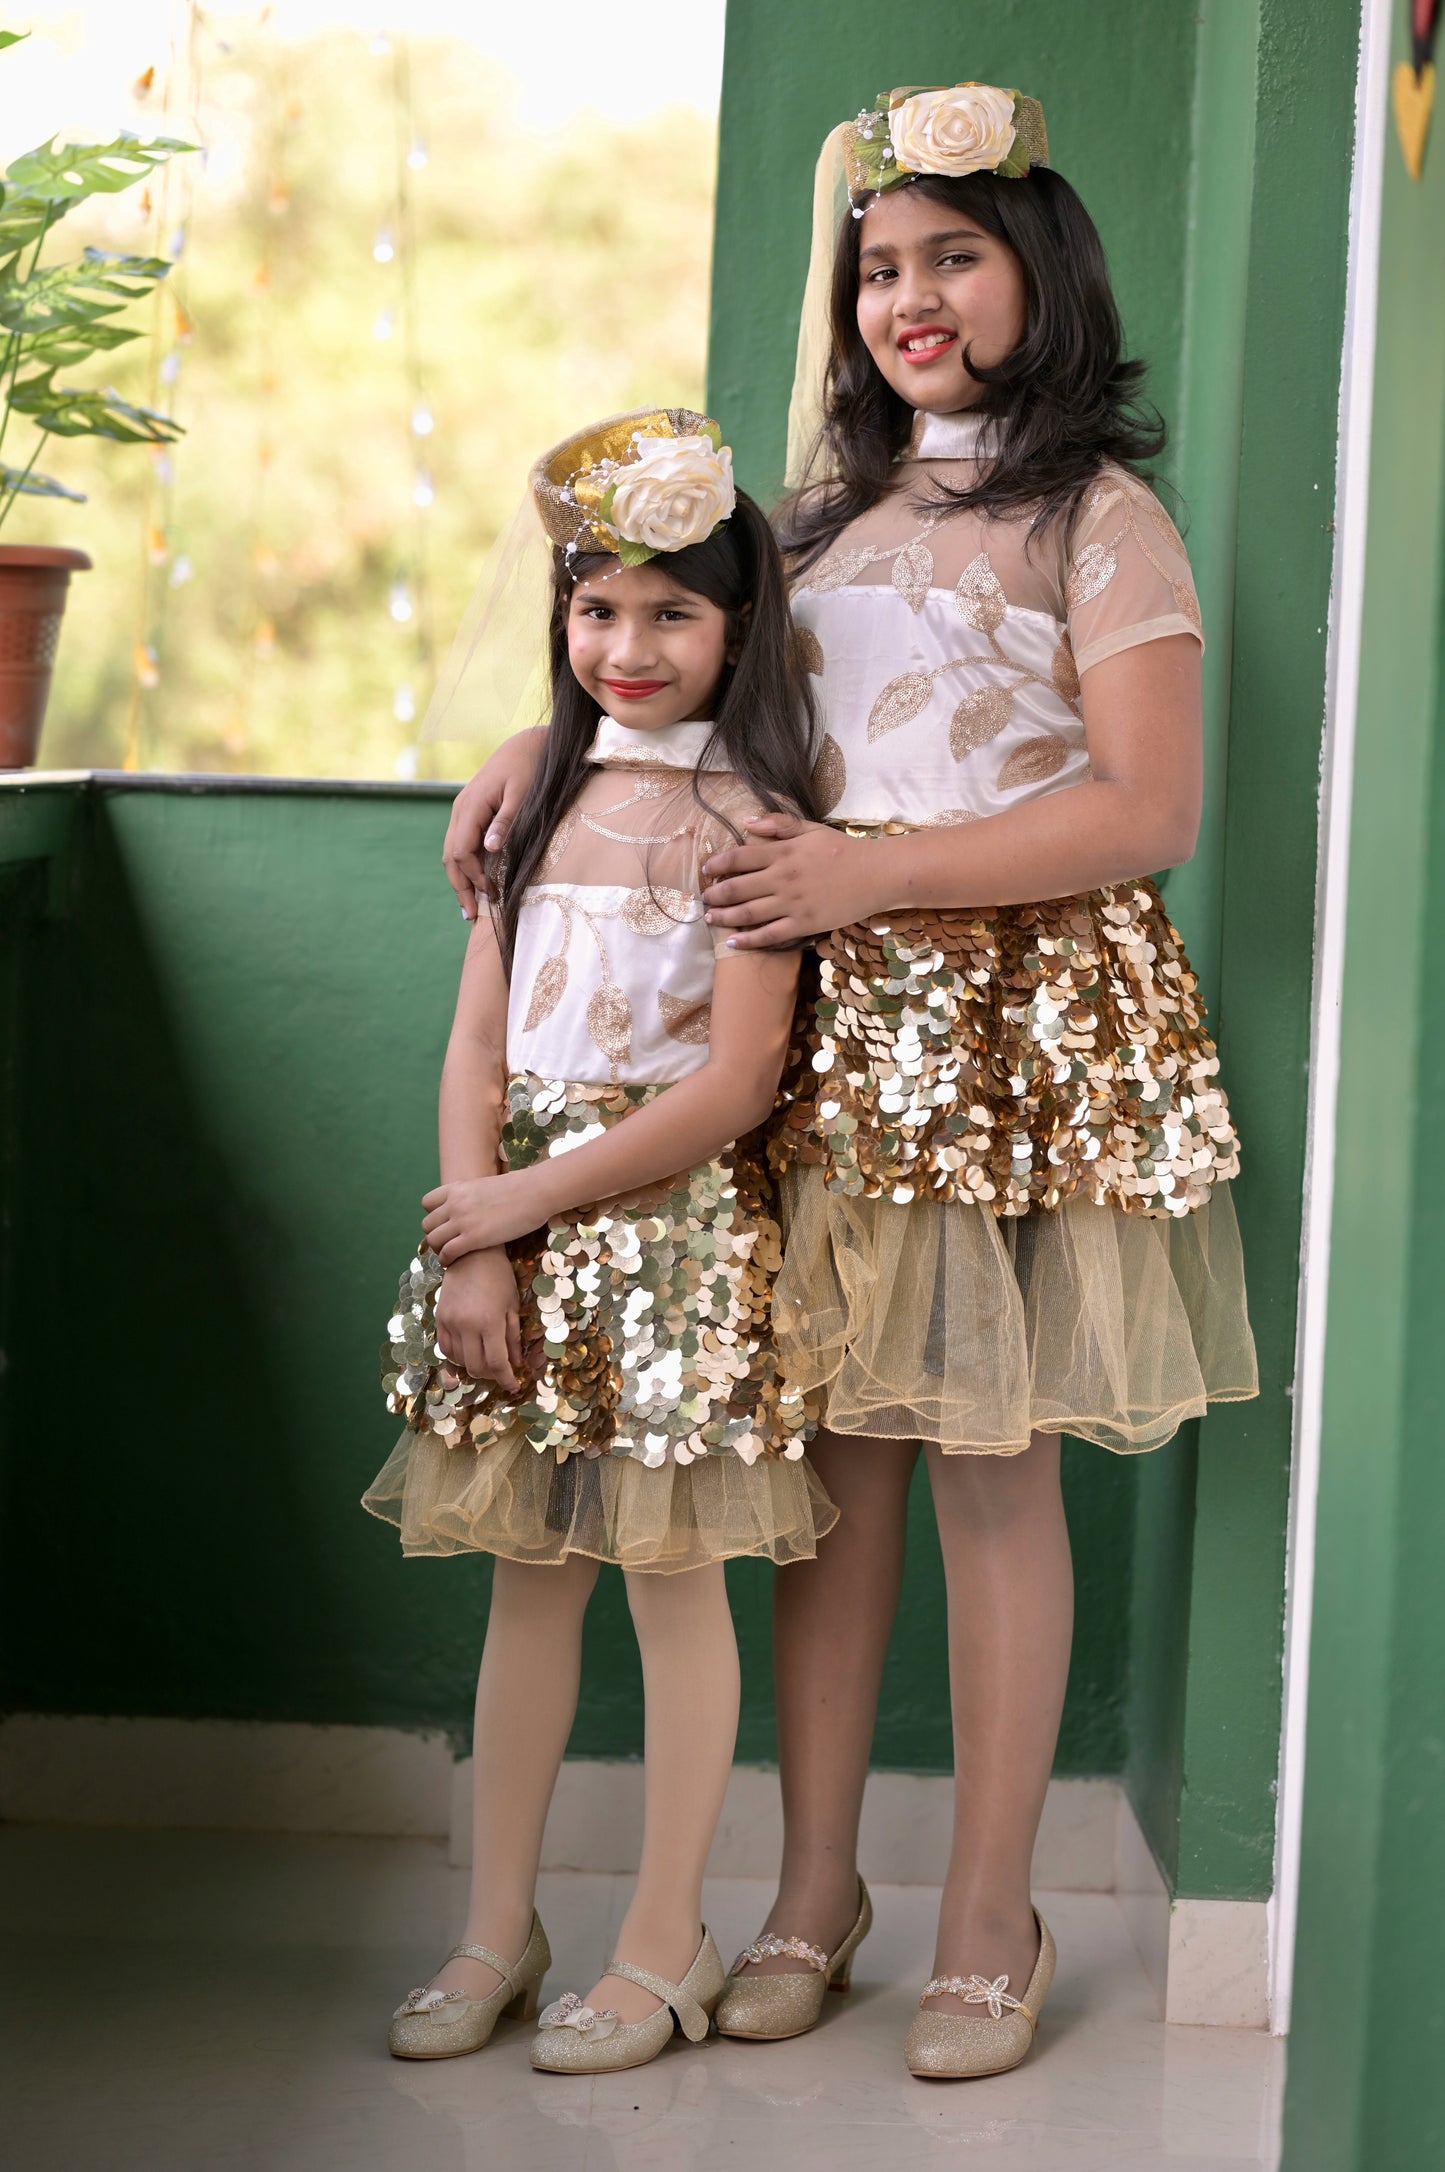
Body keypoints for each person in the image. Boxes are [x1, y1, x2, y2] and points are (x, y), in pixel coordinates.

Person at [441, 83, 1257, 2082]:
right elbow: (678, 693)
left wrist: (874, 877)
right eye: (878, 265)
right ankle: (819, 1889)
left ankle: (993, 1914)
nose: (908, 296)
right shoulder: (808, 526)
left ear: (1037, 273)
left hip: (1008, 1032)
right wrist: (524, 760)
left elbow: (1146, 808)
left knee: (988, 1466)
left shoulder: (1100, 518)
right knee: (822, 1479)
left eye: (953, 256)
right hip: (804, 1026)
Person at [365, 408, 836, 2076]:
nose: (625, 647)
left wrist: (526, 1203)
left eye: (670, 613)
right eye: (594, 608)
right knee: (528, 1587)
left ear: (737, 628)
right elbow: (477, 1044)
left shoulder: (755, 818)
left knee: (671, 1583)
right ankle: (499, 1924)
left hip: (668, 1240)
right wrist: (475, 1241)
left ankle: (664, 1939)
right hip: (514, 1241)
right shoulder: (537, 796)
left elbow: (733, 1086)